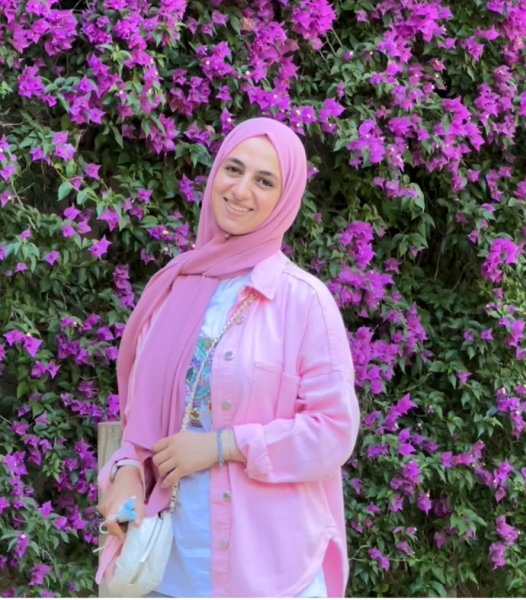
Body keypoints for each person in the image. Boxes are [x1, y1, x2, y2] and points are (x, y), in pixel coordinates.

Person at [96, 117, 360, 598]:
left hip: (271, 575)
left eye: (264, 181)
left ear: (285, 198)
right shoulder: (171, 289)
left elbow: (333, 432)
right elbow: (141, 424)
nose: (240, 190)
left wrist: (223, 445)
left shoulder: (302, 301)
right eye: (233, 169)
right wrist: (126, 472)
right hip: (168, 570)